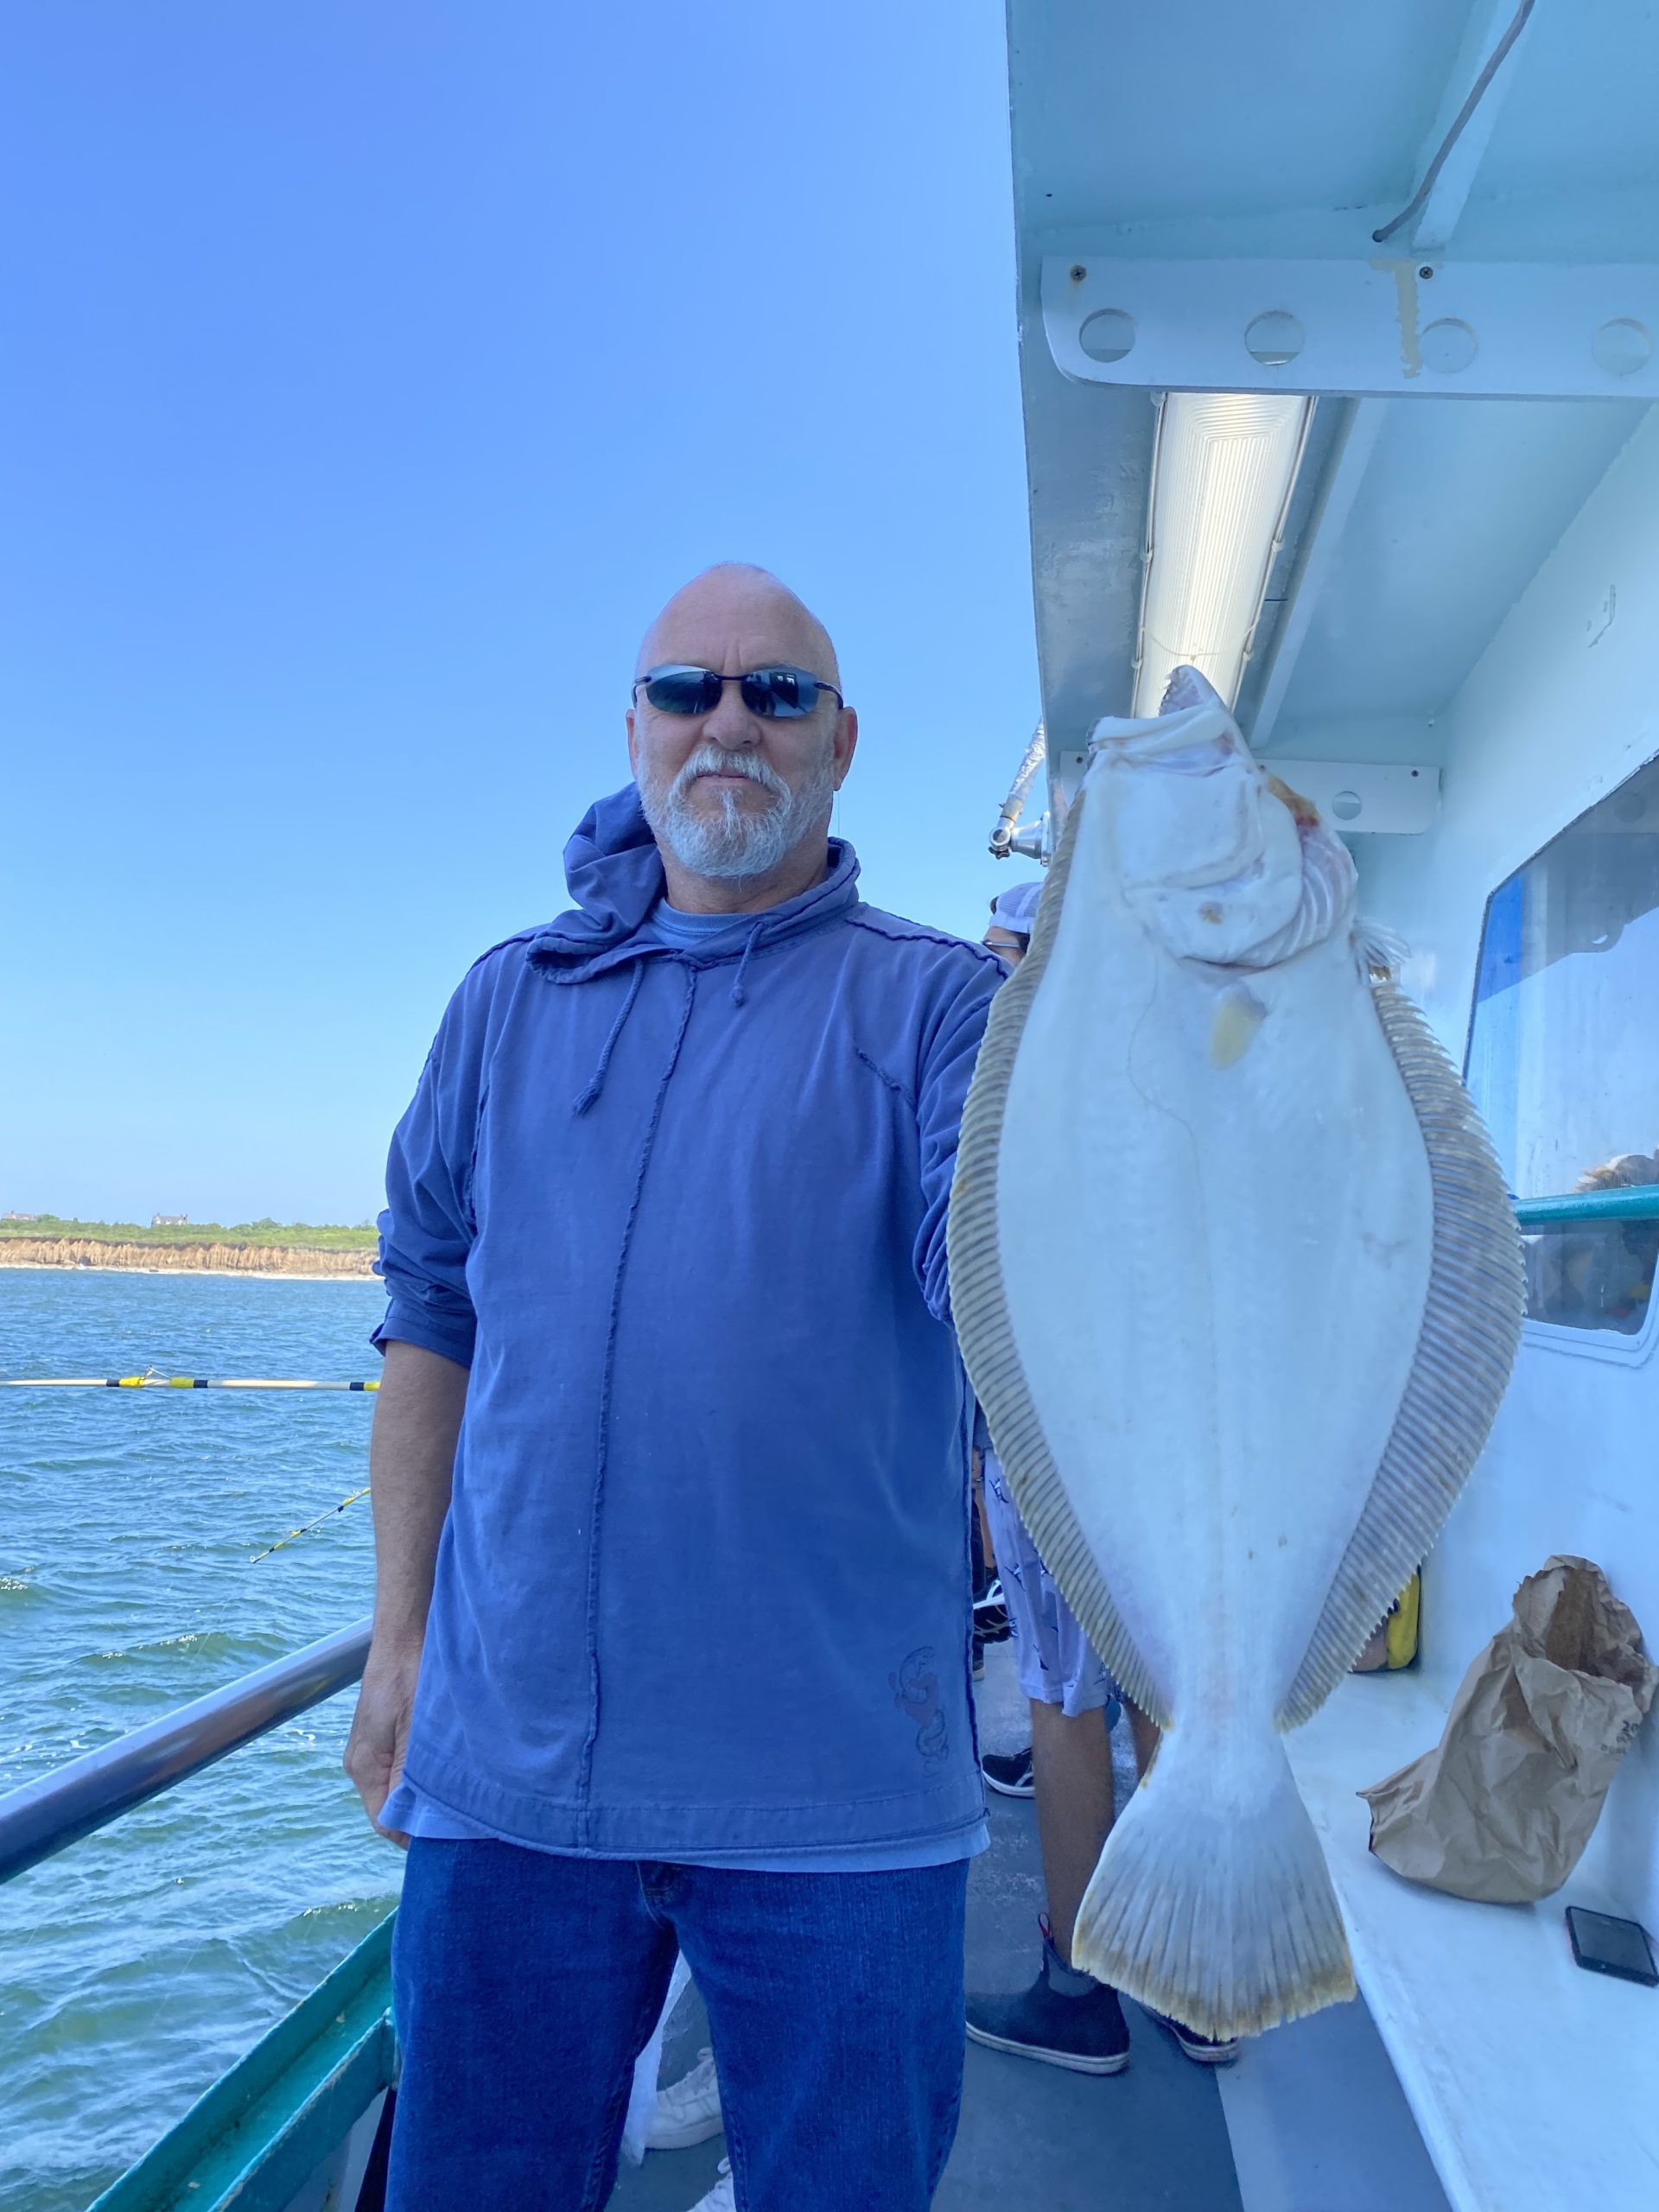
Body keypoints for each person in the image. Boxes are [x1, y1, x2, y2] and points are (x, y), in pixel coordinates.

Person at [343, 563, 1005, 2212]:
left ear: (841, 742)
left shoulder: (943, 1008)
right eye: (686, 692)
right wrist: (400, 1642)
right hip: (505, 1788)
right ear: (632, 731)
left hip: (839, 1799)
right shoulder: (506, 1000)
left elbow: (991, 1287)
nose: (729, 722)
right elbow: (428, 1319)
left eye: (776, 694)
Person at [965, 880, 1237, 2075]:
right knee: (1164, 1698)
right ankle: (1199, 1988)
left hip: (1061, 1439)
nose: (988, 976)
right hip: (1180, 1441)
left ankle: (1078, 1988)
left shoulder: (1026, 1083)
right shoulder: (1173, 1070)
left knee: (1063, 1704)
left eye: (1002, 953)